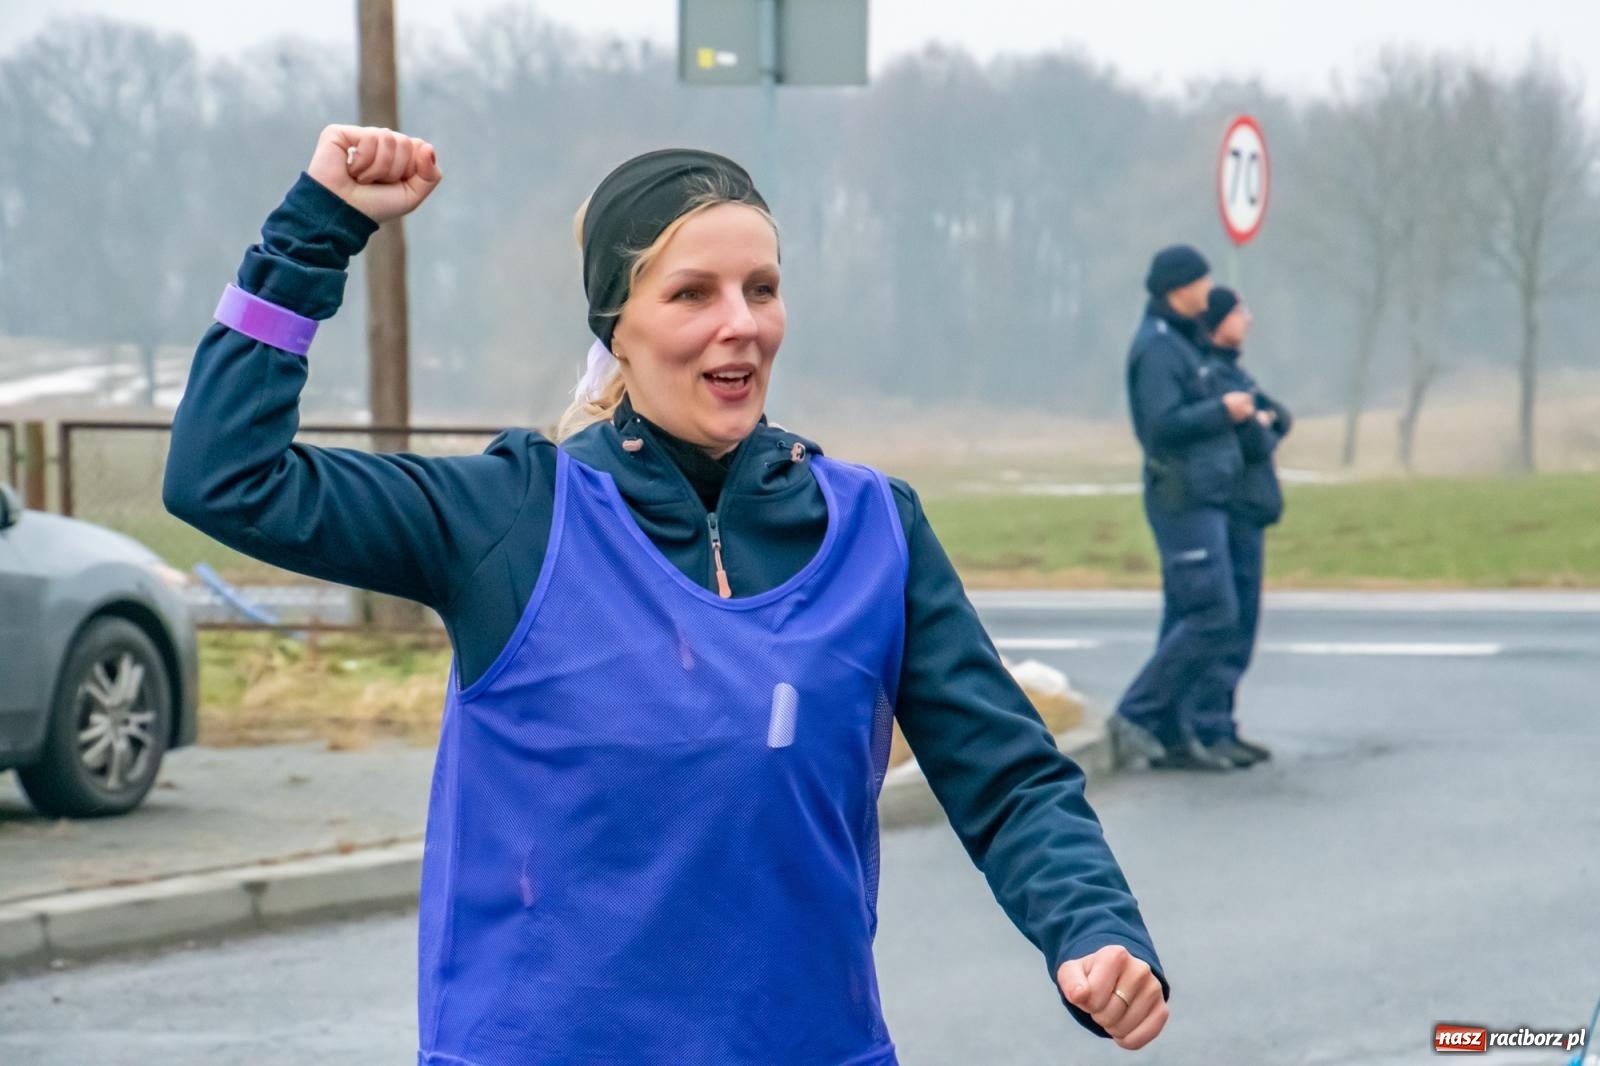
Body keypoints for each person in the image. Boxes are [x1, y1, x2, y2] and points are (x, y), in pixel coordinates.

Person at [164, 125, 1169, 1065]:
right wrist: (316, 229)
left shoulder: (873, 531)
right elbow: (225, 477)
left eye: (762, 289)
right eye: (693, 294)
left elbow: (1006, 774)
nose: (741, 324)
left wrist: (1092, 927)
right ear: (620, 324)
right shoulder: (514, 515)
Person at [1109, 245, 1257, 773]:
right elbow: (1161, 425)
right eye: (1201, 280)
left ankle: (1173, 734)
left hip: (1206, 497)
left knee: (1186, 613)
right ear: (1179, 287)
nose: (1207, 289)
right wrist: (1221, 411)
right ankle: (1135, 713)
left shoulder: (1184, 343)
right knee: (1214, 613)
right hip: (1181, 499)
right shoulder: (1158, 348)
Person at [1186, 286, 1291, 765]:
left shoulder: (1236, 373)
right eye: (1239, 311)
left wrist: (1262, 419)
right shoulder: (1215, 373)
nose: (1248, 318)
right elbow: (1257, 441)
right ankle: (1210, 724)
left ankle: (1222, 722)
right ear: (1218, 320)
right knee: (1230, 622)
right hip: (1234, 510)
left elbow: (1279, 419)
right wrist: (1258, 420)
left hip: (1250, 510)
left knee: (1243, 623)